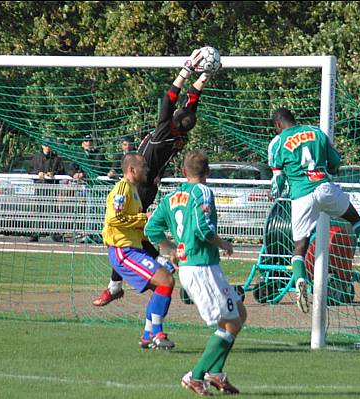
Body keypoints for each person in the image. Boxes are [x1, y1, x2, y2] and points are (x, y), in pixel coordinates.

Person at [93, 48, 220, 307]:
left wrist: (186, 69)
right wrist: (205, 74)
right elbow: (191, 102)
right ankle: (139, 277)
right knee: (137, 237)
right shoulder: (180, 131)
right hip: (146, 186)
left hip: (139, 186)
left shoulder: (165, 132)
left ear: (174, 118)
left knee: (126, 235)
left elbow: (168, 99)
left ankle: (152, 274)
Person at [267, 108, 360, 313]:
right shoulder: (316, 132)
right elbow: (335, 163)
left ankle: (300, 279)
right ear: (293, 119)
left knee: (300, 244)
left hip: (301, 196)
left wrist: (274, 193)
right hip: (324, 187)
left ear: (277, 125)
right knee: (355, 218)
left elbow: (278, 180)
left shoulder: (277, 142)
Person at [145, 150, 246, 396]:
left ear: (183, 172)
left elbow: (151, 228)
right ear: (207, 172)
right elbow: (203, 228)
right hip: (201, 267)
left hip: (199, 266)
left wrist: (171, 249)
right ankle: (196, 375)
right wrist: (223, 243)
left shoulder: (171, 197)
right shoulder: (203, 192)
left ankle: (216, 373)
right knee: (230, 322)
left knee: (239, 314)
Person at [102, 153, 176, 349]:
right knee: (166, 281)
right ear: (132, 170)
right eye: (143, 166)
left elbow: (132, 225)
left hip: (134, 248)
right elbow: (113, 219)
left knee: (163, 284)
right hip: (122, 250)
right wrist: (144, 218)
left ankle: (147, 335)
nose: (147, 169)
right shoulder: (122, 189)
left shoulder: (134, 191)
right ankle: (158, 335)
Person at [28, 142, 64, 242]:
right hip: (40, 186)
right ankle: (36, 233)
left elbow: (62, 170)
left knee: (53, 210)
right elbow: (29, 170)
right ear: (42, 146)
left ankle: (55, 234)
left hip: (52, 187)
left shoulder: (56, 158)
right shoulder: (36, 157)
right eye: (46, 145)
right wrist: (37, 173)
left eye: (49, 145)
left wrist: (53, 173)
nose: (47, 147)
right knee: (39, 209)